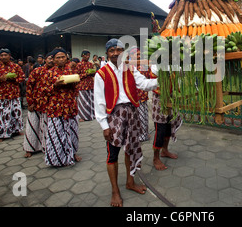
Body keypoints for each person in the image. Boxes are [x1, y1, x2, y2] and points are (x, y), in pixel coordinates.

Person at [94, 39, 158, 207]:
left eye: (119, 50)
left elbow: (144, 84)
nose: (116, 53)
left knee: (131, 149)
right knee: (112, 154)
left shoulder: (130, 68)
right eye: (112, 50)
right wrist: (104, 126)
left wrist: (163, 80)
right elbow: (99, 102)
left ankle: (130, 182)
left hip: (131, 113)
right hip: (114, 115)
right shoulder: (101, 74)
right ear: (107, 53)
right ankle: (115, 191)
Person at [43, 48, 81, 167]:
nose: (60, 59)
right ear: (53, 59)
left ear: (67, 58)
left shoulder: (71, 71)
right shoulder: (49, 73)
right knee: (57, 133)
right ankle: (58, 159)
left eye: (62, 57)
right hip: (56, 108)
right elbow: (43, 91)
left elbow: (76, 89)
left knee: (72, 131)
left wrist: (74, 82)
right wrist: (55, 85)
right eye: (57, 57)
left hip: (70, 106)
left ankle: (73, 153)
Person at [0, 49, 25, 142]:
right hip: (1, 95)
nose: (3, 57)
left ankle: (16, 130)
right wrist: (0, 79)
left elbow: (22, 77)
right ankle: (2, 134)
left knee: (15, 113)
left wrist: (14, 79)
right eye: (2, 55)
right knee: (2, 115)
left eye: (5, 55)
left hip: (14, 94)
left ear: (9, 55)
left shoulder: (16, 67)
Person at [23, 52, 54, 158]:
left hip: (51, 104)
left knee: (47, 127)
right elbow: (29, 86)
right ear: (45, 59)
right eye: (49, 58)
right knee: (33, 126)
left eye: (52, 59)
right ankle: (30, 148)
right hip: (36, 103)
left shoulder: (57, 72)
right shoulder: (37, 71)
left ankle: (47, 147)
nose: (51, 60)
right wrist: (30, 102)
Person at [76, 50, 95, 122]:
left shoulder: (90, 64)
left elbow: (93, 73)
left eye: (89, 55)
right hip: (82, 85)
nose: (88, 57)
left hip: (90, 84)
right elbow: (77, 76)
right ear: (83, 55)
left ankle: (91, 115)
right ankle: (82, 117)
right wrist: (85, 74)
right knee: (83, 102)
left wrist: (93, 72)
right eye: (86, 55)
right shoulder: (79, 64)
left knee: (91, 100)